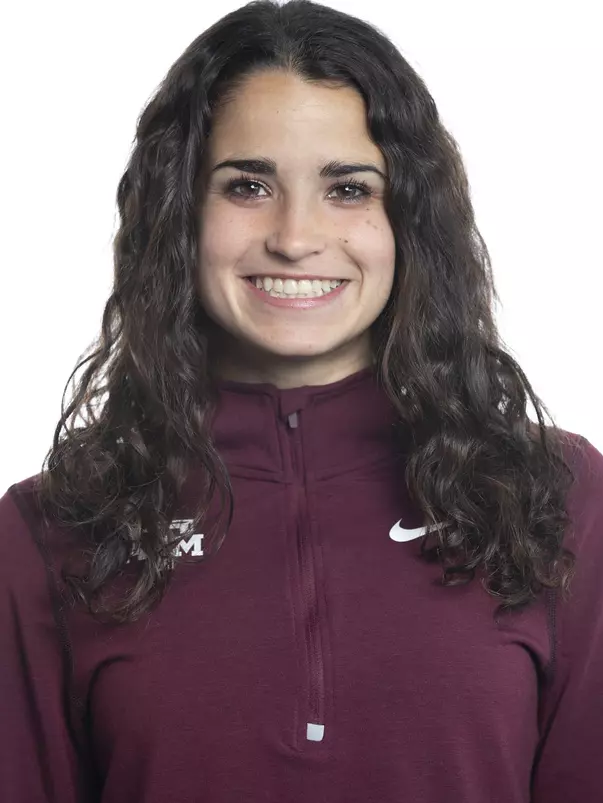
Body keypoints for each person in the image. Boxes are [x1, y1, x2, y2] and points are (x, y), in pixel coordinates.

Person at [1, 1, 602, 801]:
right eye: (247, 185)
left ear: (408, 223)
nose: (294, 236)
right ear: (179, 215)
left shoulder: (555, 498)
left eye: (348, 188)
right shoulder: (52, 529)